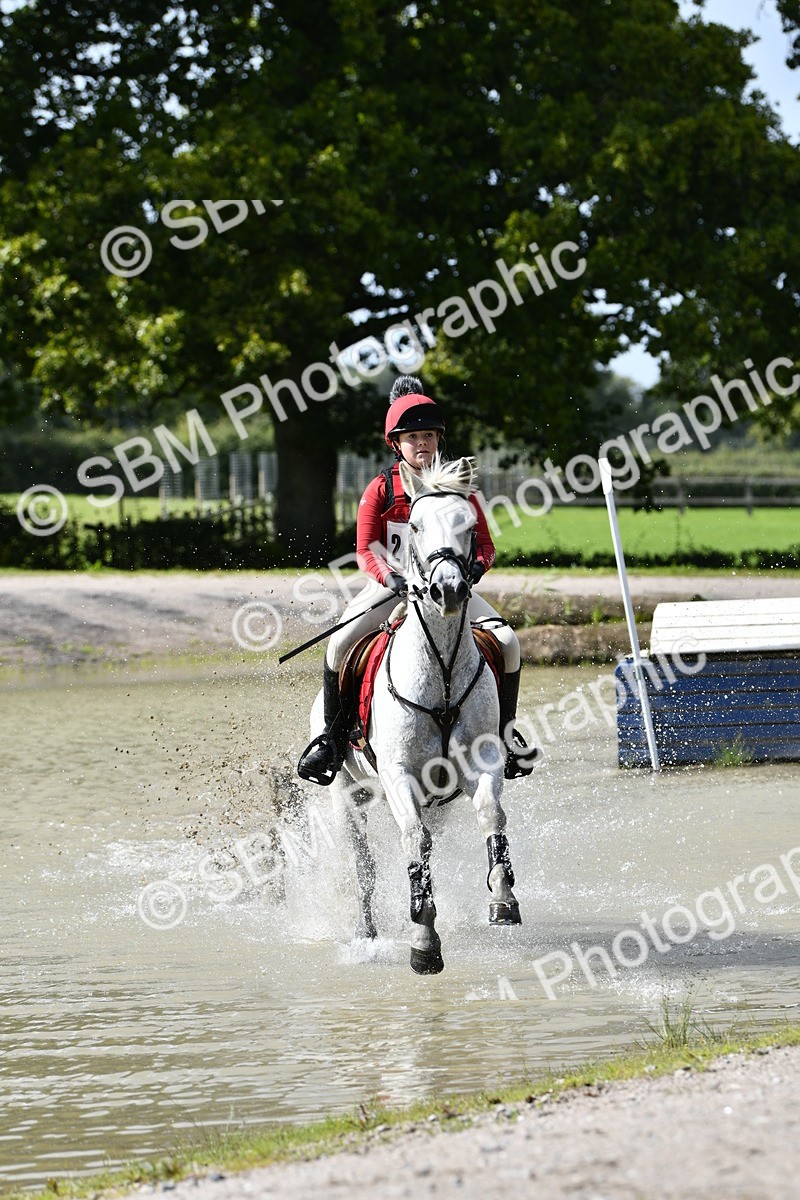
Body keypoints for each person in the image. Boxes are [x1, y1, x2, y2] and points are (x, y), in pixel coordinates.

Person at [296, 376, 534, 785]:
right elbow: (365, 549)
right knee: (338, 645)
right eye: (412, 437)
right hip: (392, 589)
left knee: (508, 643)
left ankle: (505, 735)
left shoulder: (460, 488)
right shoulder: (381, 489)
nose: (422, 444)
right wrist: (393, 579)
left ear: (439, 439)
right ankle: (331, 741)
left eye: (428, 435)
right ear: (396, 443)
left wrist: (473, 570)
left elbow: (485, 546)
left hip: (452, 589)